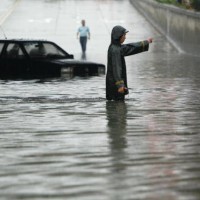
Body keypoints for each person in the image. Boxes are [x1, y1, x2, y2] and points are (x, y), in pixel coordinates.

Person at [106, 25, 153, 101]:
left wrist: (146, 42)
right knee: (118, 107)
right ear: (119, 36)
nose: (125, 37)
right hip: (116, 87)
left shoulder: (116, 47)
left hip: (115, 86)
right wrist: (120, 85)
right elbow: (117, 68)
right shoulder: (115, 50)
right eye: (124, 35)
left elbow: (131, 47)